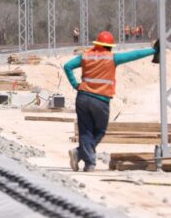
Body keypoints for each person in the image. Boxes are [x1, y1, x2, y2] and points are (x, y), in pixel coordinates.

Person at [64, 31, 158, 172]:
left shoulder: (86, 56)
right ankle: (82, 156)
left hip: (82, 97)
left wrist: (75, 84)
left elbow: (67, 66)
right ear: (109, 46)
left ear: (98, 44)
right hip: (100, 100)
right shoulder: (112, 58)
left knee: (85, 131)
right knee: (100, 130)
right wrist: (153, 50)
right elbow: (134, 55)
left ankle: (86, 160)